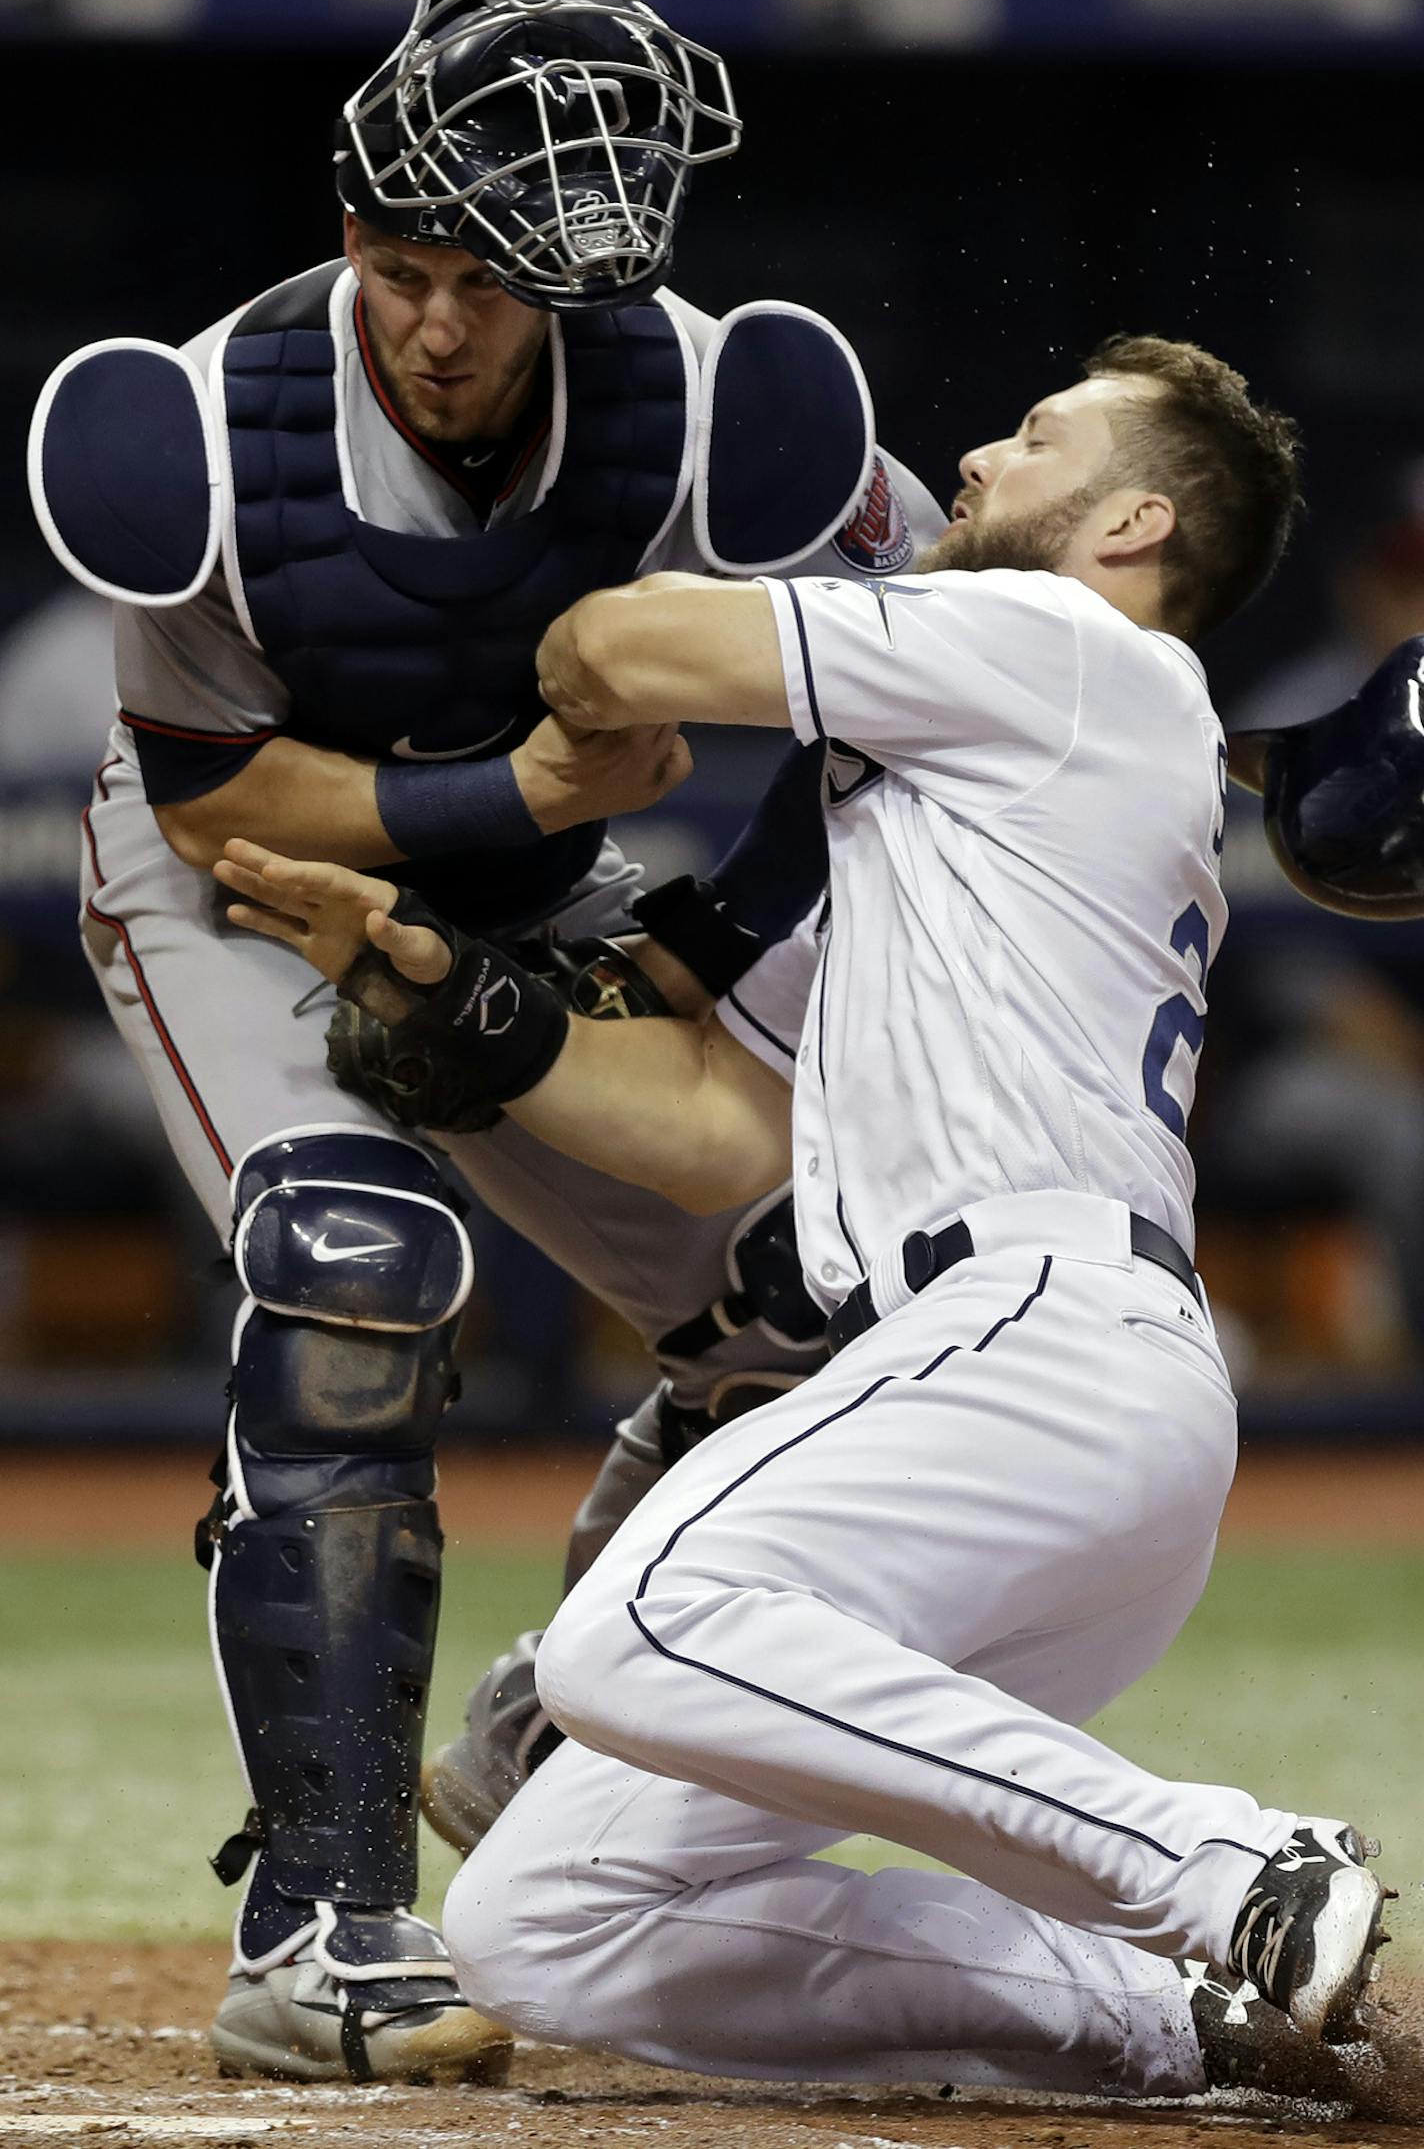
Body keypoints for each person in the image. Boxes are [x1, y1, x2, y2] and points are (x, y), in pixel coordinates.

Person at [214, 333, 1396, 2103]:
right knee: (553, 1912)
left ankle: (1228, 1871)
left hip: (1031, 1350)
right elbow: (702, 1126)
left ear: (1134, 519)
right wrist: (459, 991)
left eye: (1035, 433)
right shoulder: (962, 783)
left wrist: (537, 713)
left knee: (626, 1630)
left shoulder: (1063, 645)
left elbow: (613, 646)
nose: (980, 459)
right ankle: (1184, 2023)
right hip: (1010, 1419)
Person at [28, 0, 942, 2086]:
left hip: (528, 890)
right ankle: (322, 1922)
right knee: (357, 1266)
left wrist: (712, 932)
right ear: (349, 222)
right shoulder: (202, 423)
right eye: (402, 264)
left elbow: (924, 649)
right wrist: (518, 783)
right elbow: (214, 792)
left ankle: (564, 1707)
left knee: (825, 1296)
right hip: (236, 891)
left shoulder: (715, 387)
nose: (438, 327)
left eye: (494, 281)